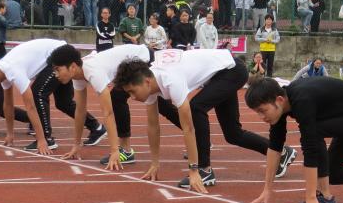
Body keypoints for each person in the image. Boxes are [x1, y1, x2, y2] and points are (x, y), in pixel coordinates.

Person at [114, 50, 293, 191]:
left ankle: (205, 170)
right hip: (221, 72)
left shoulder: (170, 80)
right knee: (233, 134)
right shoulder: (151, 82)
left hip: (231, 70)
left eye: (132, 92)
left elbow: (189, 128)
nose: (131, 97)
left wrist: (194, 169)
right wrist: (154, 163)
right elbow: (153, 126)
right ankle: (281, 152)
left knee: (196, 108)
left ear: (146, 82)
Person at [0, 38, 105, 154]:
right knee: (63, 102)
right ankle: (97, 128)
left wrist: (41, 140)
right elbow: (8, 105)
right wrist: (10, 134)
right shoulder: (2, 71)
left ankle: (47, 138)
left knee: (37, 94)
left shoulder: (12, 69)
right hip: (56, 54)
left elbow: (30, 106)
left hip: (59, 55)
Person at [49, 43, 150, 169]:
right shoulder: (77, 74)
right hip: (131, 62)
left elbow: (108, 112)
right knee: (117, 97)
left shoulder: (93, 71)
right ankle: (126, 150)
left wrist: (114, 151)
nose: (56, 74)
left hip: (143, 58)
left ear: (73, 67)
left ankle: (125, 150)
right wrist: (76, 145)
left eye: (58, 69)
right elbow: (80, 111)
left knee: (117, 99)